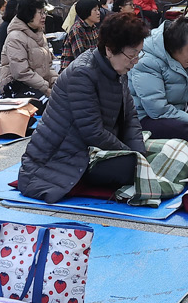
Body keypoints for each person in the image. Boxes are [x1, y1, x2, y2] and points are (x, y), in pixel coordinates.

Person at [17, 12, 152, 201]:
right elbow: (92, 132)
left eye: (139, 54)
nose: (135, 61)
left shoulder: (118, 69)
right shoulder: (82, 73)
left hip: (95, 148)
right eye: (132, 55)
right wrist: (132, 156)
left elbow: (130, 117)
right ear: (110, 49)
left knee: (159, 150)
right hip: (63, 157)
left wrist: (140, 153)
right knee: (132, 167)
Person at [131, 16, 188, 143]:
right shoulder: (146, 62)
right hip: (147, 117)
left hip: (178, 111)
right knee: (182, 130)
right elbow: (157, 110)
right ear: (174, 47)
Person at [0, 0, 55, 98]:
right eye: (40, 13)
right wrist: (46, 88)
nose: (44, 16)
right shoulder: (15, 37)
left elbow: (48, 67)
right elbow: (21, 72)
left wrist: (56, 83)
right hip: (18, 88)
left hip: (38, 86)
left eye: (45, 13)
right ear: (29, 15)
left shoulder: (39, 34)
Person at [63, 0, 104, 64]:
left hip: (90, 67)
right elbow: (81, 57)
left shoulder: (94, 28)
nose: (98, 13)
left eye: (98, 10)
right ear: (86, 11)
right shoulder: (77, 30)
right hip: (74, 71)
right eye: (95, 10)